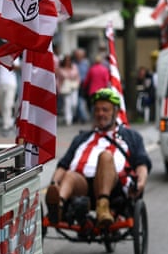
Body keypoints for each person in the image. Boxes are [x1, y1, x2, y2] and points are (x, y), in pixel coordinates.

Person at [46, 88, 151, 228]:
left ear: (115, 112)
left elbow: (141, 163)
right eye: (97, 110)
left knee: (105, 156)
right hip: (82, 186)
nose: (100, 114)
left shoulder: (130, 137)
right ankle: (58, 206)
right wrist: (54, 183)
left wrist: (141, 183)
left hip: (114, 187)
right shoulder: (82, 138)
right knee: (70, 174)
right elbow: (63, 164)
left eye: (105, 110)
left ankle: (103, 206)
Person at [0, 55, 18, 136]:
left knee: (7, 105)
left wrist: (7, 61)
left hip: (10, 83)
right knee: (1, 106)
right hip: (0, 83)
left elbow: (17, 67)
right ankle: (10, 121)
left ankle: (6, 126)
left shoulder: (15, 55)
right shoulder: (1, 54)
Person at [56, 54, 80, 126]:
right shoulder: (60, 69)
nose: (68, 62)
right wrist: (58, 88)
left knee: (74, 104)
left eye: (69, 60)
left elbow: (78, 76)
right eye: (66, 60)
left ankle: (72, 116)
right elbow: (58, 80)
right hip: (65, 87)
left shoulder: (74, 67)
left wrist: (78, 83)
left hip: (73, 86)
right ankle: (68, 119)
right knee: (67, 104)